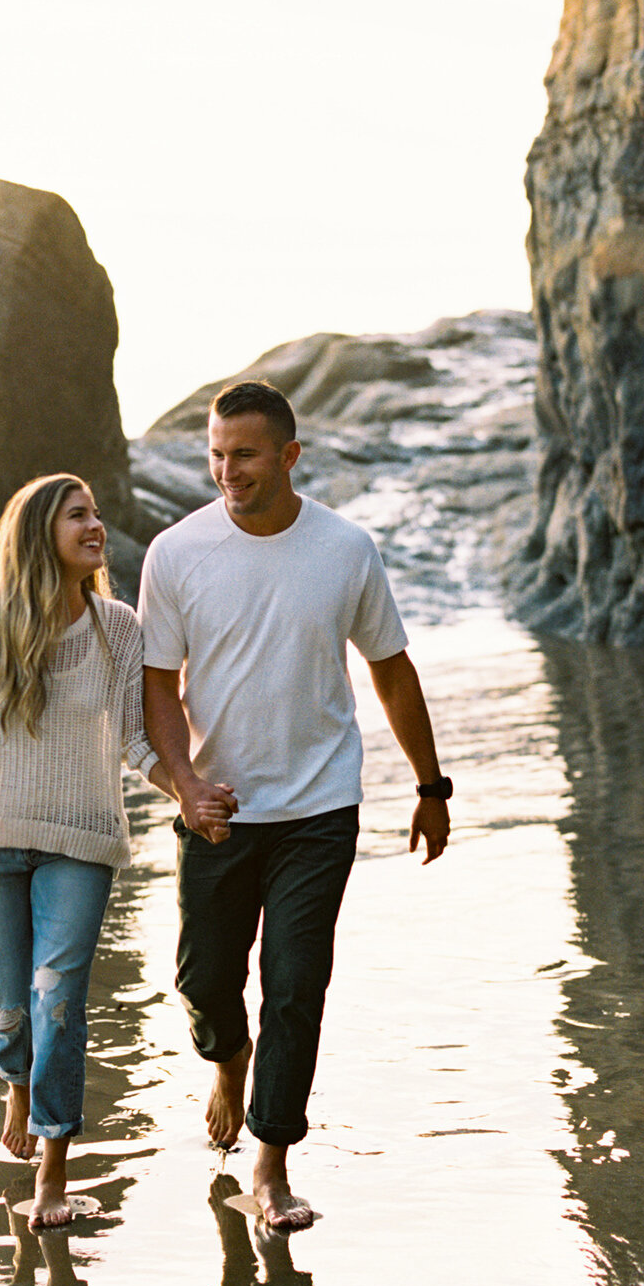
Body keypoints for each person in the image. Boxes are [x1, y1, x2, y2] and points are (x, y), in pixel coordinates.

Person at [140, 380, 451, 1232]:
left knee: (296, 984)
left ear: (288, 456)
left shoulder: (345, 549)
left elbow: (390, 668)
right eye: (215, 454)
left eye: (243, 454)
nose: (226, 470)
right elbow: (156, 684)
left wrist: (431, 785)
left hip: (319, 809)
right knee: (203, 980)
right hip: (217, 810)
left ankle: (271, 1164)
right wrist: (183, 782)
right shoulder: (175, 552)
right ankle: (229, 1061)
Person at [0, 473, 187, 1230]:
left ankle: (51, 1171)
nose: (95, 525)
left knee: (58, 996)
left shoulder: (118, 627)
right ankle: (17, 1082)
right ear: (39, 530)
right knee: (7, 1008)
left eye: (98, 514)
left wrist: (190, 794)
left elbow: (137, 742)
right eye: (78, 515)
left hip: (82, 840)